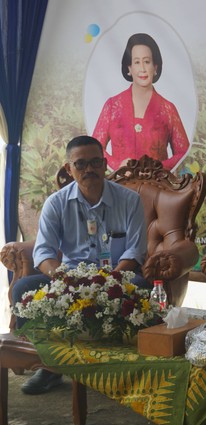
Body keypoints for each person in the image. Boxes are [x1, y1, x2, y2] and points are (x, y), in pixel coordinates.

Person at [11, 135, 148, 395]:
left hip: (117, 275)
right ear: (69, 168)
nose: (89, 170)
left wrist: (110, 282)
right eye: (81, 164)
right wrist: (62, 278)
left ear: (105, 164)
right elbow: (43, 252)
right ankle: (49, 365)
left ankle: (122, 366)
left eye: (95, 162)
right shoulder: (56, 203)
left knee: (141, 286)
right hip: (69, 278)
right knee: (24, 288)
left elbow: (135, 250)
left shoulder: (130, 200)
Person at [92, 33, 190, 172]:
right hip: (120, 187)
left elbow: (183, 153)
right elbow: (94, 148)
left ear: (155, 67)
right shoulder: (112, 106)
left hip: (158, 188)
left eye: (147, 61)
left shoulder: (168, 109)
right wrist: (117, 165)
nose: (142, 69)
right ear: (129, 68)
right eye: (137, 62)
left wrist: (158, 168)